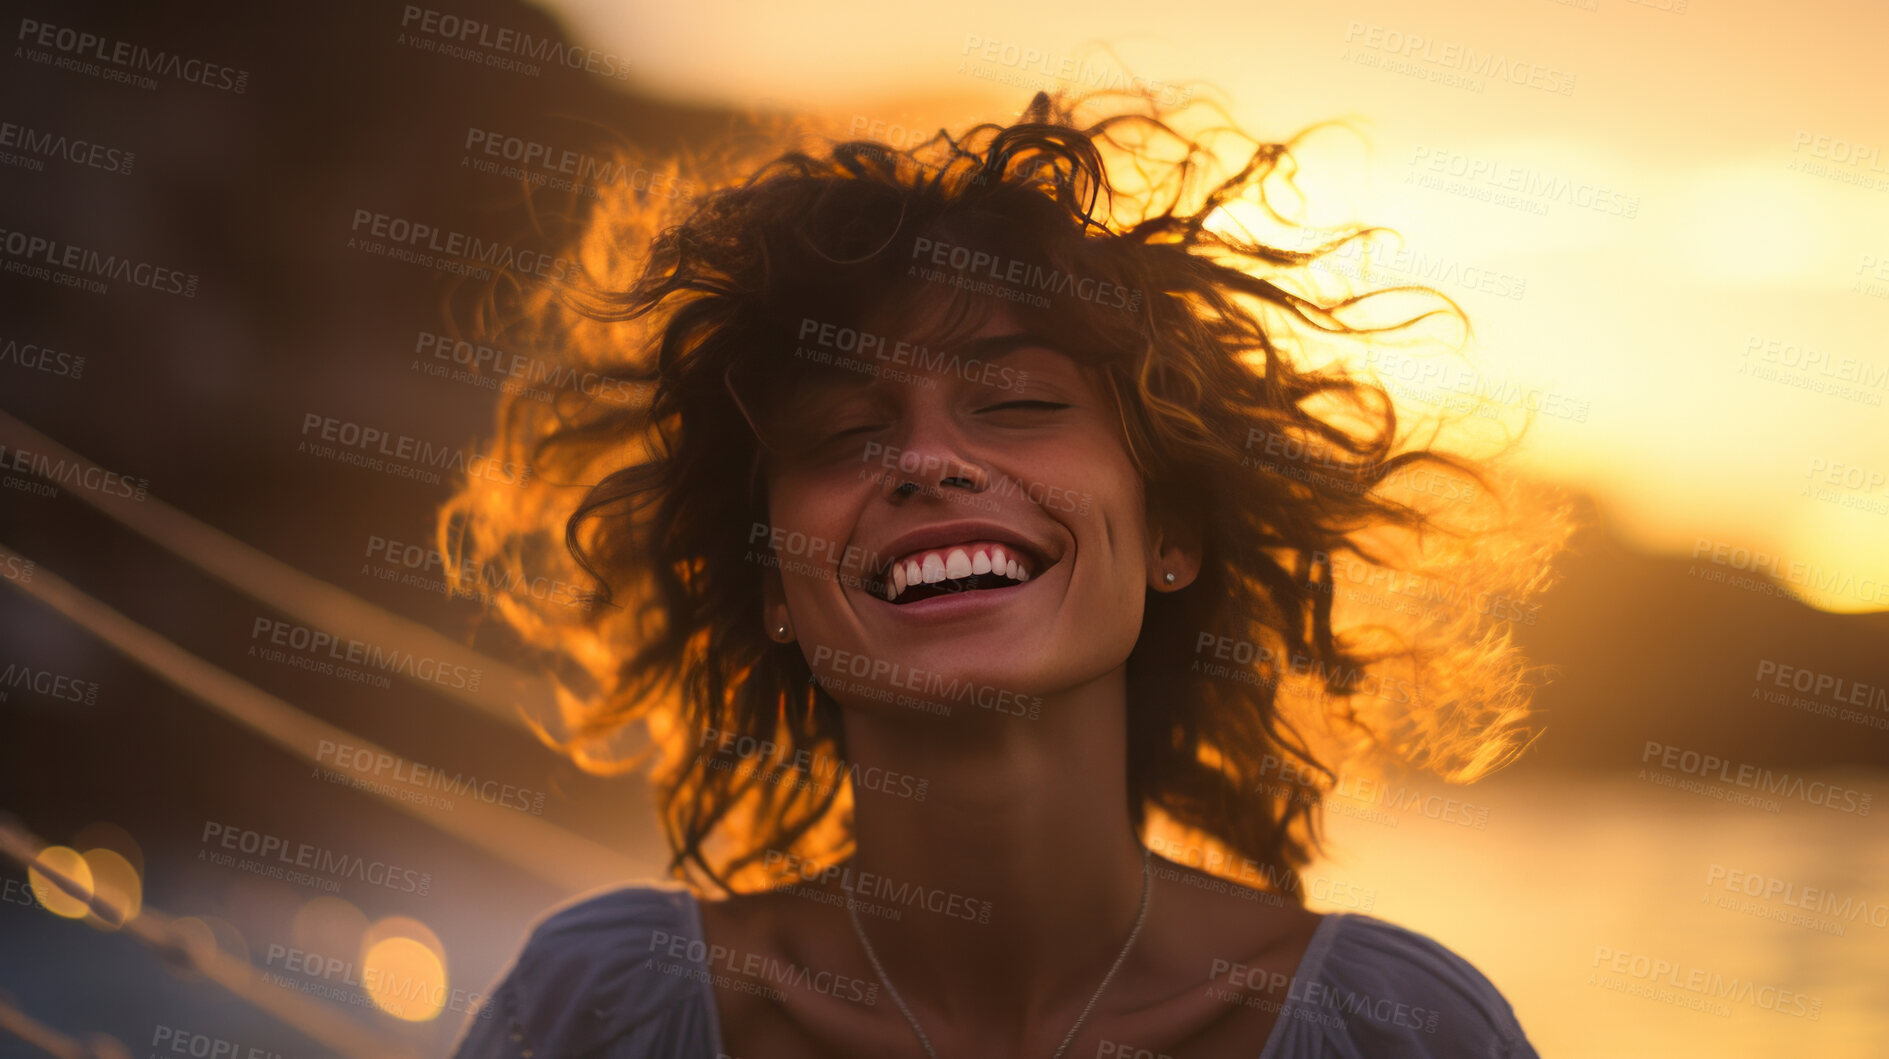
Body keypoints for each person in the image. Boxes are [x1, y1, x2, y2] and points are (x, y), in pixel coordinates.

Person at [443, 89, 1563, 1058]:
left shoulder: (1395, 1029)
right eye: (841, 434)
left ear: (1169, 530)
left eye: (1018, 402)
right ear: (774, 588)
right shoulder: (600, 1013)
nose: (924, 460)